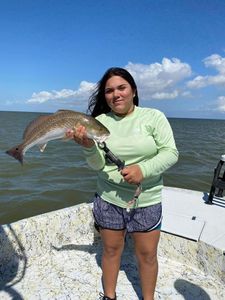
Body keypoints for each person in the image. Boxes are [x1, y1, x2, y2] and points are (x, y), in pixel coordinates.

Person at [70, 67, 178, 300]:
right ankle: (109, 296)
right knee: (110, 250)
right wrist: (89, 148)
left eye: (122, 87)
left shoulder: (154, 117)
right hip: (108, 198)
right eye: (109, 91)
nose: (115, 94)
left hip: (147, 199)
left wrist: (144, 169)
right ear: (105, 96)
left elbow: (171, 152)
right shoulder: (97, 122)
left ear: (134, 91)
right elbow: (99, 165)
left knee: (148, 255)